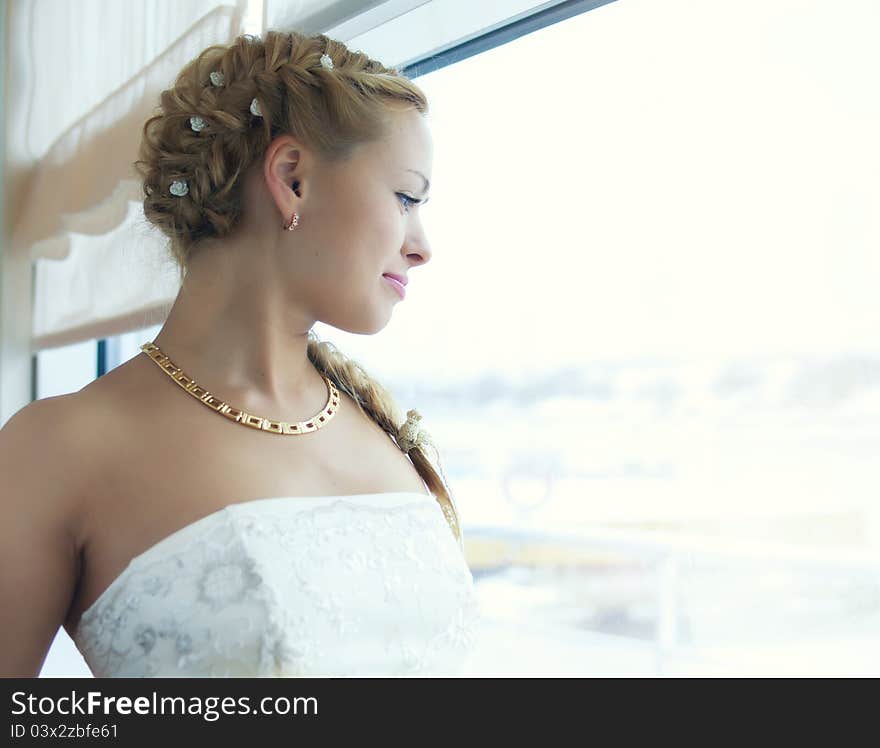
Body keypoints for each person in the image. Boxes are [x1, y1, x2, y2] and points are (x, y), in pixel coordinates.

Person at [0, 29, 481, 677]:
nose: (421, 245)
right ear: (293, 179)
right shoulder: (59, 448)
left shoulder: (382, 432)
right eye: (405, 197)